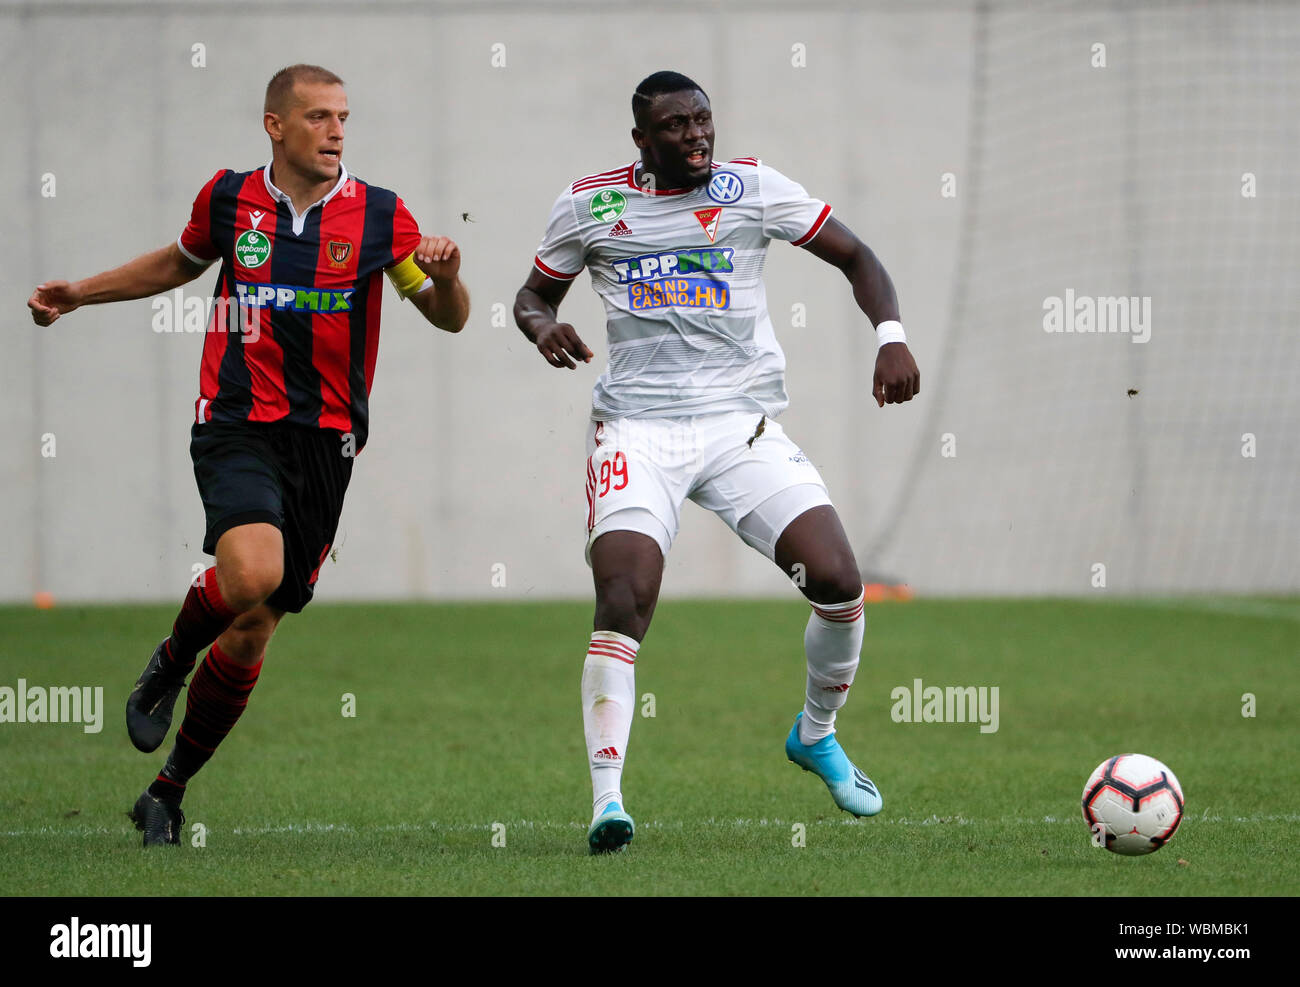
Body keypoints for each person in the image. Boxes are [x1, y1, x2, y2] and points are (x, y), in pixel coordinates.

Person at [27, 63, 470, 847]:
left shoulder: (380, 217)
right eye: (319, 117)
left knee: (255, 624)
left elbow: (447, 320)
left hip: (327, 444)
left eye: (344, 117)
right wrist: (79, 294)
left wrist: (449, 279)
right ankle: (168, 662)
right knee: (252, 575)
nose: (337, 131)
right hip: (235, 422)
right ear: (276, 125)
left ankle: (166, 791)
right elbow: (178, 262)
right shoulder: (230, 198)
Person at [514, 71, 920, 853]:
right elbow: (532, 295)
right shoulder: (591, 205)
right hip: (638, 429)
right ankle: (607, 801)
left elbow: (857, 255)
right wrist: (540, 328)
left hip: (740, 426)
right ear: (642, 140)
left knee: (838, 581)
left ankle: (816, 732)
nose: (697, 136)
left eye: (703, 120)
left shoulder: (752, 188)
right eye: (676, 126)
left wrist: (890, 336)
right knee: (626, 597)